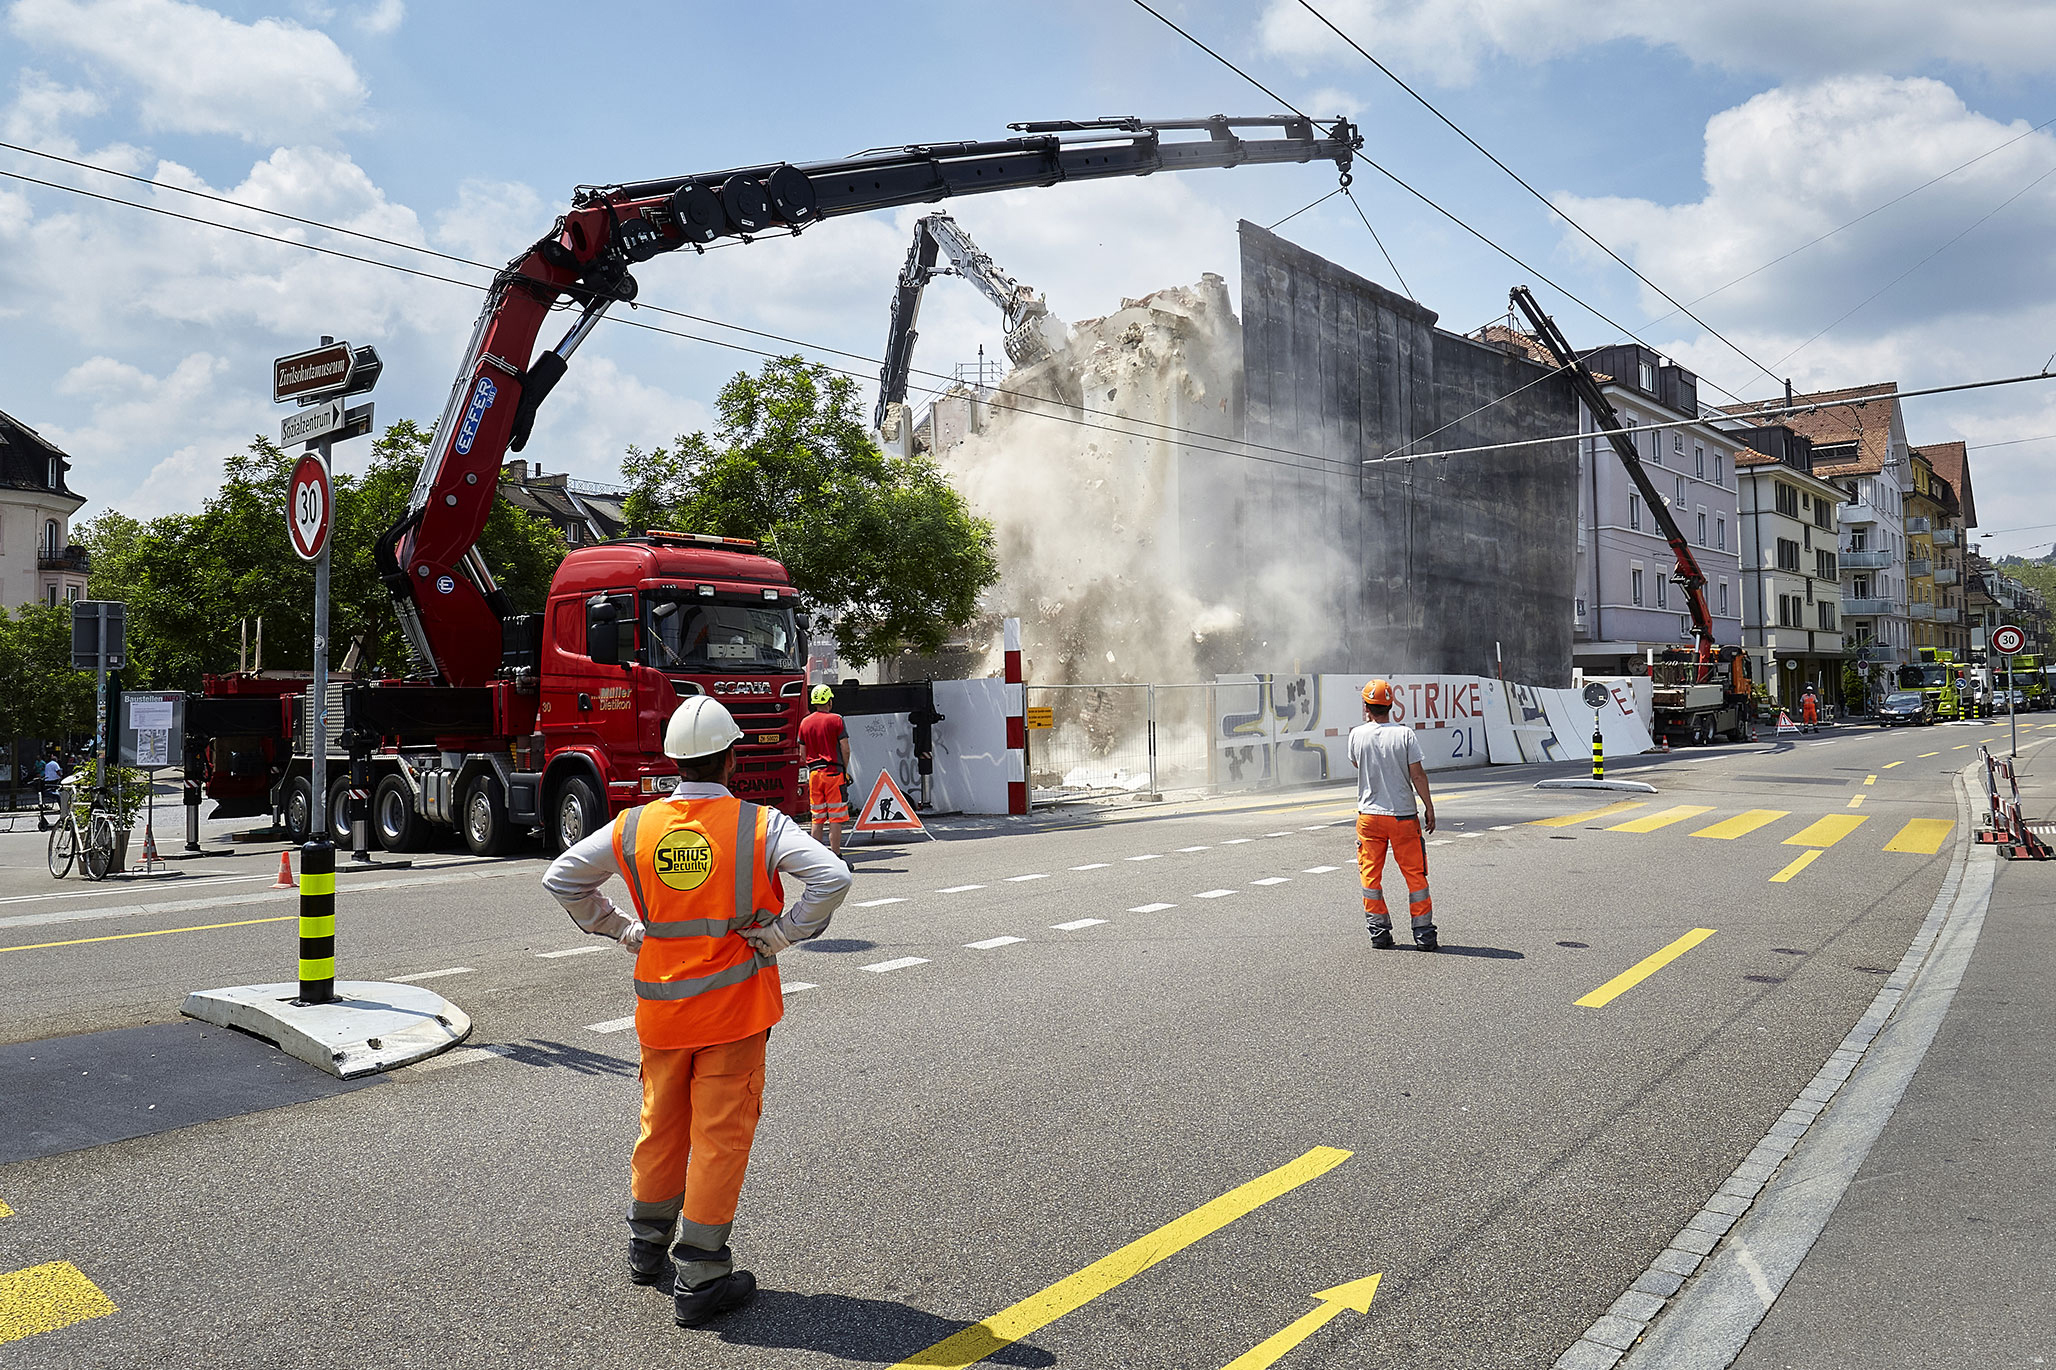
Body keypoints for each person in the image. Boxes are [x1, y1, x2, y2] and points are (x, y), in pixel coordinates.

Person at [542, 696, 851, 1328]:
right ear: (733, 757)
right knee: (719, 1136)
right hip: (733, 1012)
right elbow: (833, 877)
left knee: (661, 1124)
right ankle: (703, 1274)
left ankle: (646, 1244)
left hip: (661, 1011)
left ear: (674, 760)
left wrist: (623, 930)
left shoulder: (635, 826)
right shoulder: (758, 825)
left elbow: (562, 877)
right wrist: (786, 933)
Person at [1347, 679, 1438, 951]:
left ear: (1366, 706)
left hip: (1369, 817)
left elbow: (1356, 762)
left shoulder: (1356, 735)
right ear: (1391, 705)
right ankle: (1424, 935)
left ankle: (1379, 933)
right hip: (1403, 816)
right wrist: (1429, 807)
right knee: (1415, 876)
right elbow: (1417, 775)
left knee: (1371, 877)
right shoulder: (1405, 734)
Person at [797, 684, 852, 857]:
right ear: (829, 701)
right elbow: (845, 748)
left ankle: (816, 858)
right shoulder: (836, 719)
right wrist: (845, 769)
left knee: (817, 817)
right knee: (836, 818)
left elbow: (802, 754)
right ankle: (836, 856)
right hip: (833, 773)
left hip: (814, 775)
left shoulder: (805, 722)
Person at [38, 748, 63, 830]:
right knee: (59, 796)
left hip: (48, 782)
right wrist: (61, 777)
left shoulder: (47, 764)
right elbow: (58, 772)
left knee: (58, 795)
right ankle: (62, 809)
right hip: (53, 782)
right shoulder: (55, 764)